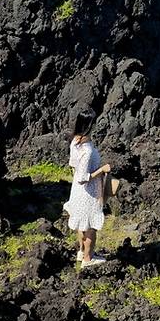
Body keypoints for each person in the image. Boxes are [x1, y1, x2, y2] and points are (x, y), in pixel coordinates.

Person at [63, 109, 111, 268]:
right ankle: (88, 259)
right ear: (90, 126)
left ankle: (82, 252)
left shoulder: (75, 141)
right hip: (88, 192)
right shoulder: (87, 150)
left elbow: (72, 165)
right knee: (90, 226)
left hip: (77, 190)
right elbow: (84, 177)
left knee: (81, 223)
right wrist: (102, 170)